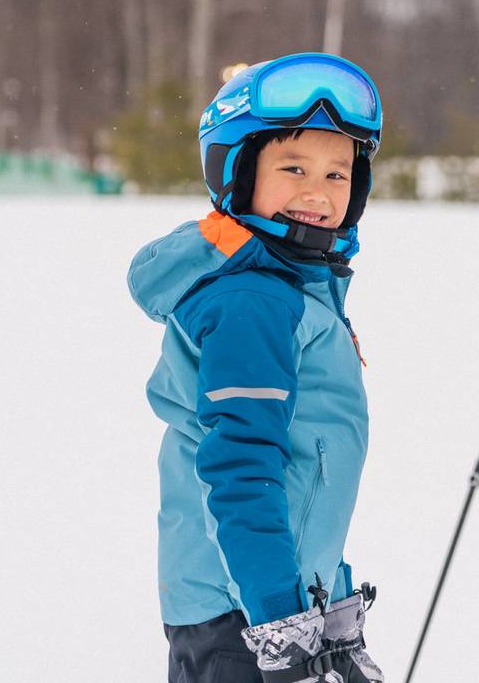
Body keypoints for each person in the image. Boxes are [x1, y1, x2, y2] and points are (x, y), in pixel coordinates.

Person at [129, 53, 386, 683]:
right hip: (245, 618)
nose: (317, 193)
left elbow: (306, 469)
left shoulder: (293, 290)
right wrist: (282, 627)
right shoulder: (255, 302)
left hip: (280, 600)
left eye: (337, 173)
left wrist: (328, 601)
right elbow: (242, 469)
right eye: (293, 168)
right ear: (238, 173)